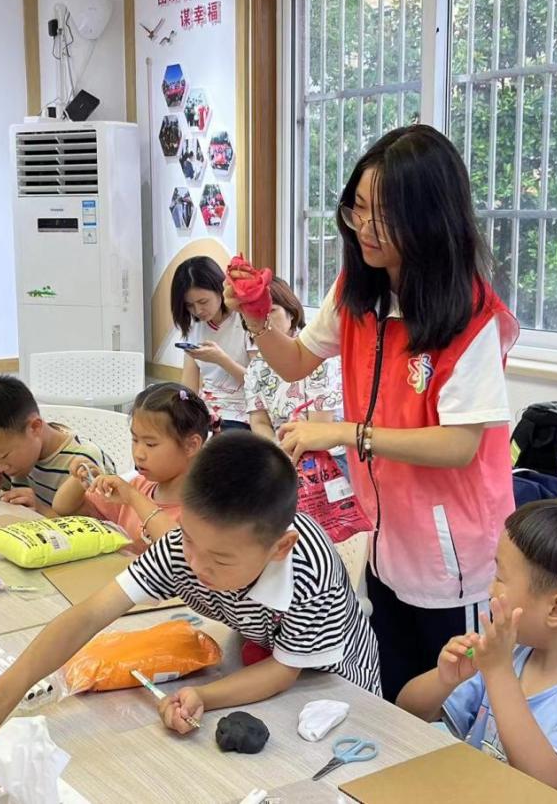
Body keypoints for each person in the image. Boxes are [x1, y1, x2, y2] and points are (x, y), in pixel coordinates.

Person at [226, 124, 520, 703]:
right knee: (392, 701)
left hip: (456, 566)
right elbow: (295, 362)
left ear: (429, 218)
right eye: (357, 208)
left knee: (453, 709)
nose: (364, 227)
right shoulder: (358, 291)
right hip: (387, 547)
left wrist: (346, 433)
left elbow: (458, 445)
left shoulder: (471, 316)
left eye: (383, 215)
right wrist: (258, 317)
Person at [0, 433, 381, 742]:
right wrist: (3, 694)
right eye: (189, 540)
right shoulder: (184, 546)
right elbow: (90, 614)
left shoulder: (309, 571)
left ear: (279, 547)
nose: (197, 565)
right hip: (262, 659)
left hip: (336, 685)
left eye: (220, 559)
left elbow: (285, 672)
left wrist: (204, 695)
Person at [396, 500, 557, 803]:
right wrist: (444, 680)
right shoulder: (513, 654)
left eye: (501, 578)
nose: (490, 590)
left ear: (556, 610)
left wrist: (498, 672)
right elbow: (407, 712)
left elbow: (544, 786)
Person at [53, 382, 213, 549]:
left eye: (150, 444)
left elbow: (176, 549)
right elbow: (63, 508)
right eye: (135, 440)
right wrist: (79, 480)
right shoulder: (138, 486)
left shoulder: (206, 510)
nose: (138, 453)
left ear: (191, 445)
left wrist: (133, 497)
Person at [0, 375, 115, 515]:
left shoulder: (83, 462)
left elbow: (104, 529)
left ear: (35, 427)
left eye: (2, 456)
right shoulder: (16, 451)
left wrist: (42, 510)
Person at [243, 277, 343, 442]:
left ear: (291, 313)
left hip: (324, 449)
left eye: (272, 310)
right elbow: (259, 422)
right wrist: (277, 448)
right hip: (280, 447)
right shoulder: (256, 366)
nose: (265, 320)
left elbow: (320, 426)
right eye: (258, 314)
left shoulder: (318, 354)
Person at [172, 256, 251, 430]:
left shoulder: (246, 320)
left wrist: (220, 359)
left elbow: (260, 383)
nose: (198, 310)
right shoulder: (195, 326)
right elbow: (189, 388)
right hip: (207, 410)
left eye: (203, 302)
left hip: (243, 411)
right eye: (189, 305)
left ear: (219, 289)